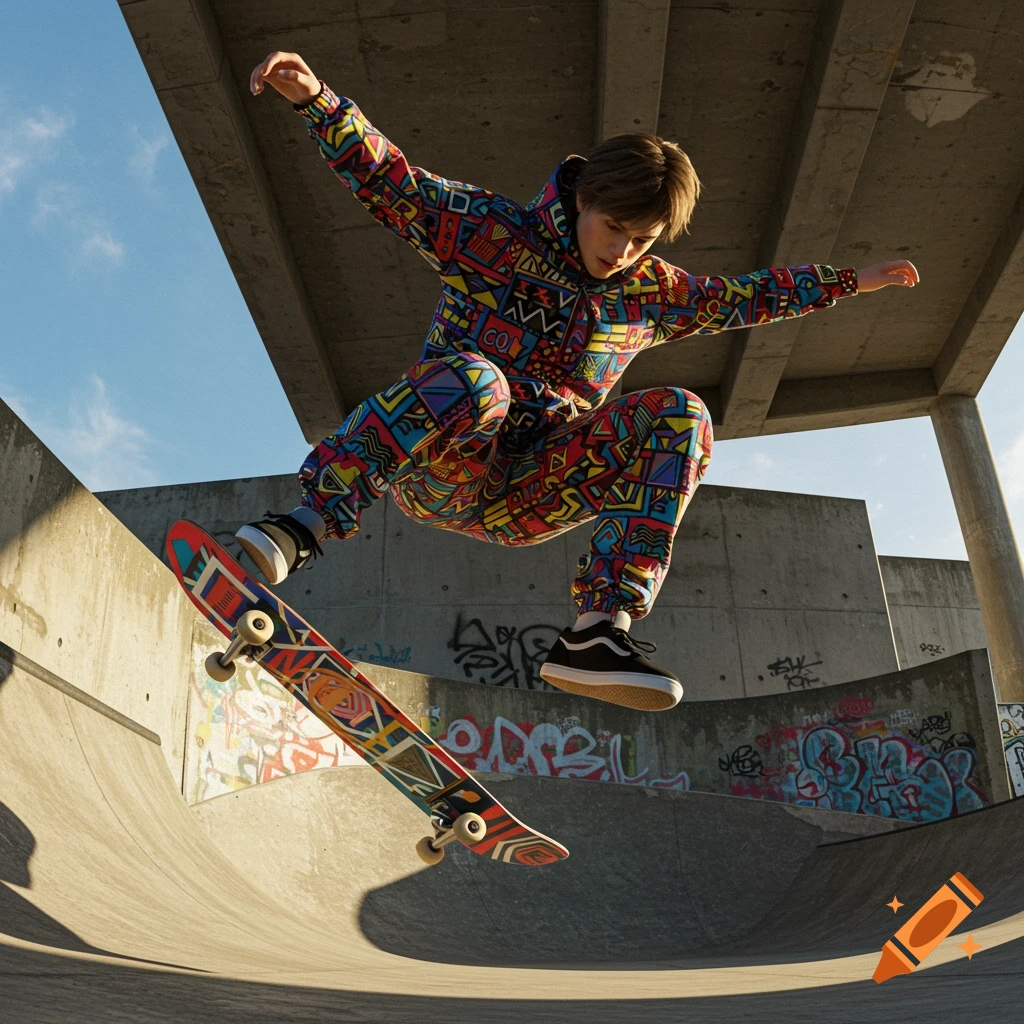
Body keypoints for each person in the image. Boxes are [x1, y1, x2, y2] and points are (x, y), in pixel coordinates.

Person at [236, 51, 920, 713]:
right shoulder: (491, 235)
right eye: (614, 227)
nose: (621, 251)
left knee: (684, 414)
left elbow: (743, 296)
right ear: (583, 197)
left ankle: (597, 631)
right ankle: (304, 526)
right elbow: (394, 183)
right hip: (445, 467)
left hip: (535, 492)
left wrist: (851, 281)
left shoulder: (650, 294)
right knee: (480, 383)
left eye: (643, 240)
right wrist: (317, 102)